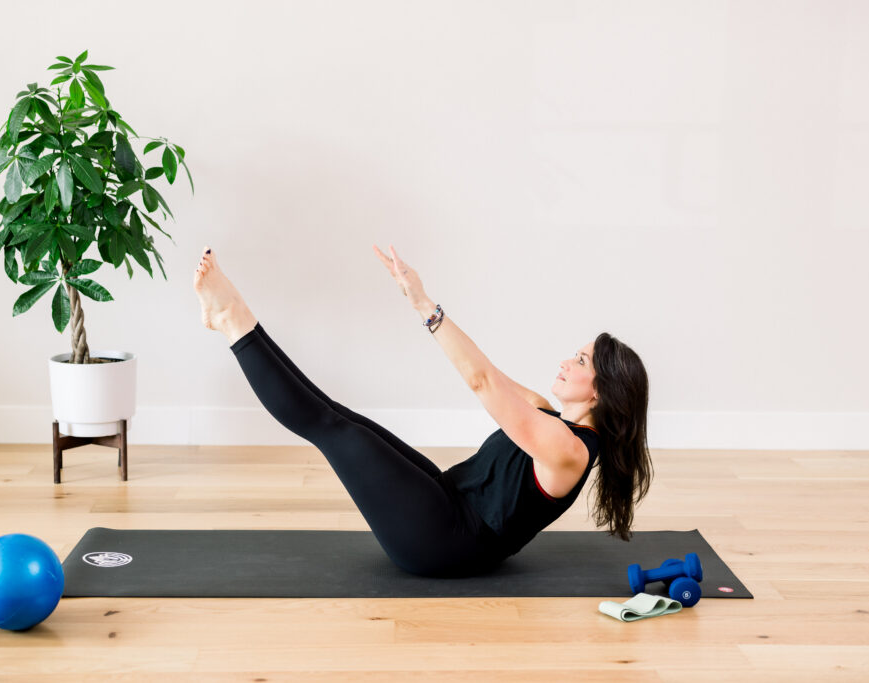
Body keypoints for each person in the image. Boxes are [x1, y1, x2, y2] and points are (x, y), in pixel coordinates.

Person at [193, 244, 652, 578]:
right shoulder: (547, 415)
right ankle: (233, 317)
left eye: (581, 361)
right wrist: (419, 297)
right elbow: (488, 368)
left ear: (601, 394)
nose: (565, 362)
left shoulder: (567, 450)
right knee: (340, 416)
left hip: (443, 542)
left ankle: (233, 319)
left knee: (331, 429)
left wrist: (423, 304)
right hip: (443, 500)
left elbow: (481, 382)